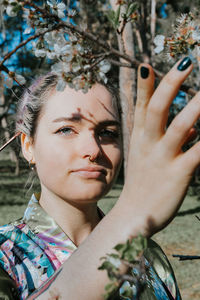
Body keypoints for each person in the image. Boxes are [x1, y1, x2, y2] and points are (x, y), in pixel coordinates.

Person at [0, 56, 198, 300]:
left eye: (107, 133)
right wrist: (129, 217)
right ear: (28, 146)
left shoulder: (148, 255)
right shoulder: (5, 257)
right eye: (66, 129)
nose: (93, 150)